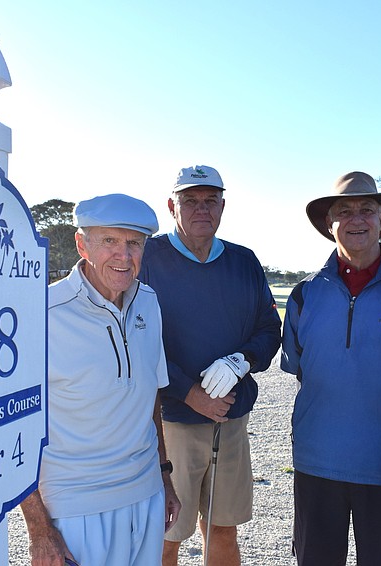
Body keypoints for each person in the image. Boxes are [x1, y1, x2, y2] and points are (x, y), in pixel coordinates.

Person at [280, 171, 381, 566]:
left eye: (367, 210)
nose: (356, 219)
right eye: (344, 211)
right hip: (316, 465)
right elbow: (302, 367)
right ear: (329, 223)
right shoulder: (305, 294)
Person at [19, 193, 181, 566]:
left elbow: (149, 396)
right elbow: (16, 429)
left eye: (134, 244)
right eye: (109, 241)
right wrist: (39, 530)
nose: (123, 256)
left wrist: (164, 475)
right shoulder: (42, 313)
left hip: (146, 496)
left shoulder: (149, 302)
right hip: (76, 506)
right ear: (82, 244)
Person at [138, 165, 281, 566]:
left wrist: (242, 359)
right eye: (190, 200)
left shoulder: (244, 261)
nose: (201, 209)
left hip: (230, 421)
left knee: (222, 527)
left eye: (210, 200)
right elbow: (137, 342)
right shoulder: (148, 258)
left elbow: (270, 329)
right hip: (172, 424)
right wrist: (188, 392)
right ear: (172, 206)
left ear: (223, 206)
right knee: (168, 534)